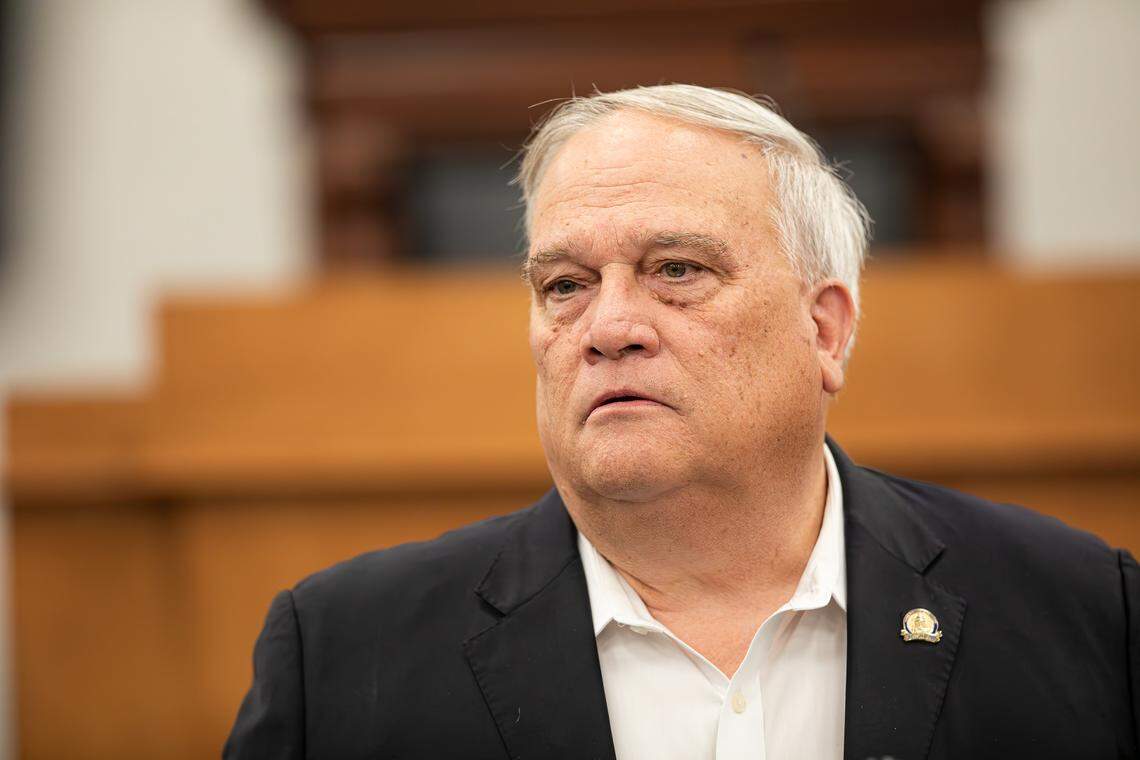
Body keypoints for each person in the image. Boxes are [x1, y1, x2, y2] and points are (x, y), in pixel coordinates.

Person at [224, 85, 1140, 760]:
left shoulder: (1087, 616)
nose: (609, 329)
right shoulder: (343, 656)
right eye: (566, 287)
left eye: (676, 270)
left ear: (823, 329)